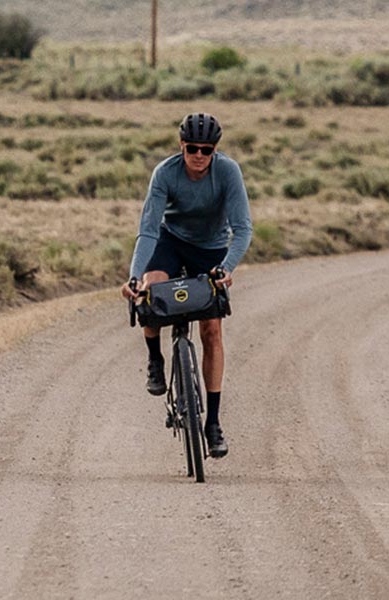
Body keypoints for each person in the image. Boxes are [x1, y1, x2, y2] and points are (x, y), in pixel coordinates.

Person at [120, 112, 252, 458]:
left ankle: (213, 423)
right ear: (181, 146)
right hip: (170, 239)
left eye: (206, 150)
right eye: (191, 148)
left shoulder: (227, 172)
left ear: (215, 151)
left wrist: (226, 268)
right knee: (150, 290)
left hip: (211, 247)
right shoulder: (165, 173)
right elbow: (148, 229)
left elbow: (243, 228)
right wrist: (134, 275)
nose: (198, 155)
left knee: (211, 329)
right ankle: (155, 359)